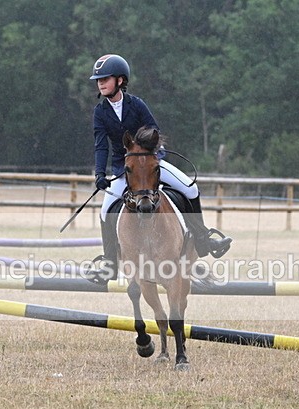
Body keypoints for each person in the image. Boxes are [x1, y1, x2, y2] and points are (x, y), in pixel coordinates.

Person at [89, 53, 232, 281]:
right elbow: (100, 146)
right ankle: (110, 262)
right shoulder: (100, 112)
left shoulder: (136, 105)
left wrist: (146, 150)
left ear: (120, 81)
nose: (101, 83)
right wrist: (99, 173)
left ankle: (203, 239)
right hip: (124, 169)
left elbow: (154, 130)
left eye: (105, 78)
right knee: (105, 210)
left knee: (191, 189)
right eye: (99, 79)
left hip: (152, 163)